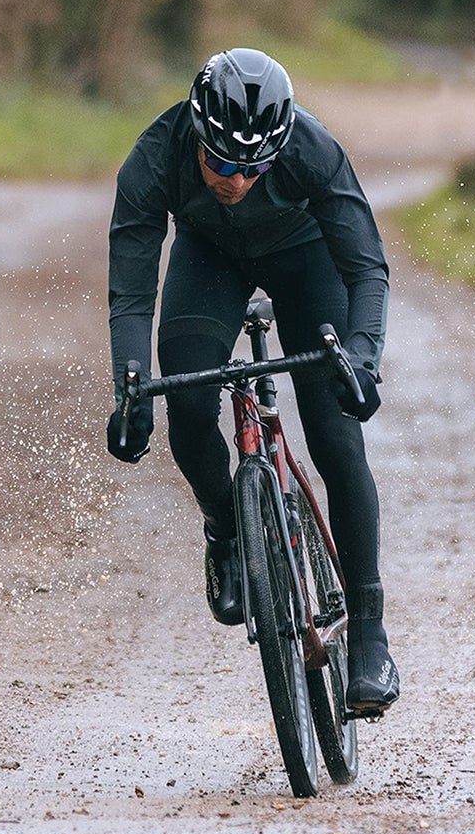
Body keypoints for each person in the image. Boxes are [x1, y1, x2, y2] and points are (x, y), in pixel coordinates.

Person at [104, 48, 399, 714]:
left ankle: (370, 635)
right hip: (209, 261)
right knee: (183, 400)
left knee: (334, 433)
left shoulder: (310, 148)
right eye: (221, 163)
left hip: (306, 262)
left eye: (253, 167)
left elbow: (366, 271)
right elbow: (130, 295)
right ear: (196, 137)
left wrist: (361, 355)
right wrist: (129, 384)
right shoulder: (154, 159)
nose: (236, 179)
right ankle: (224, 528)